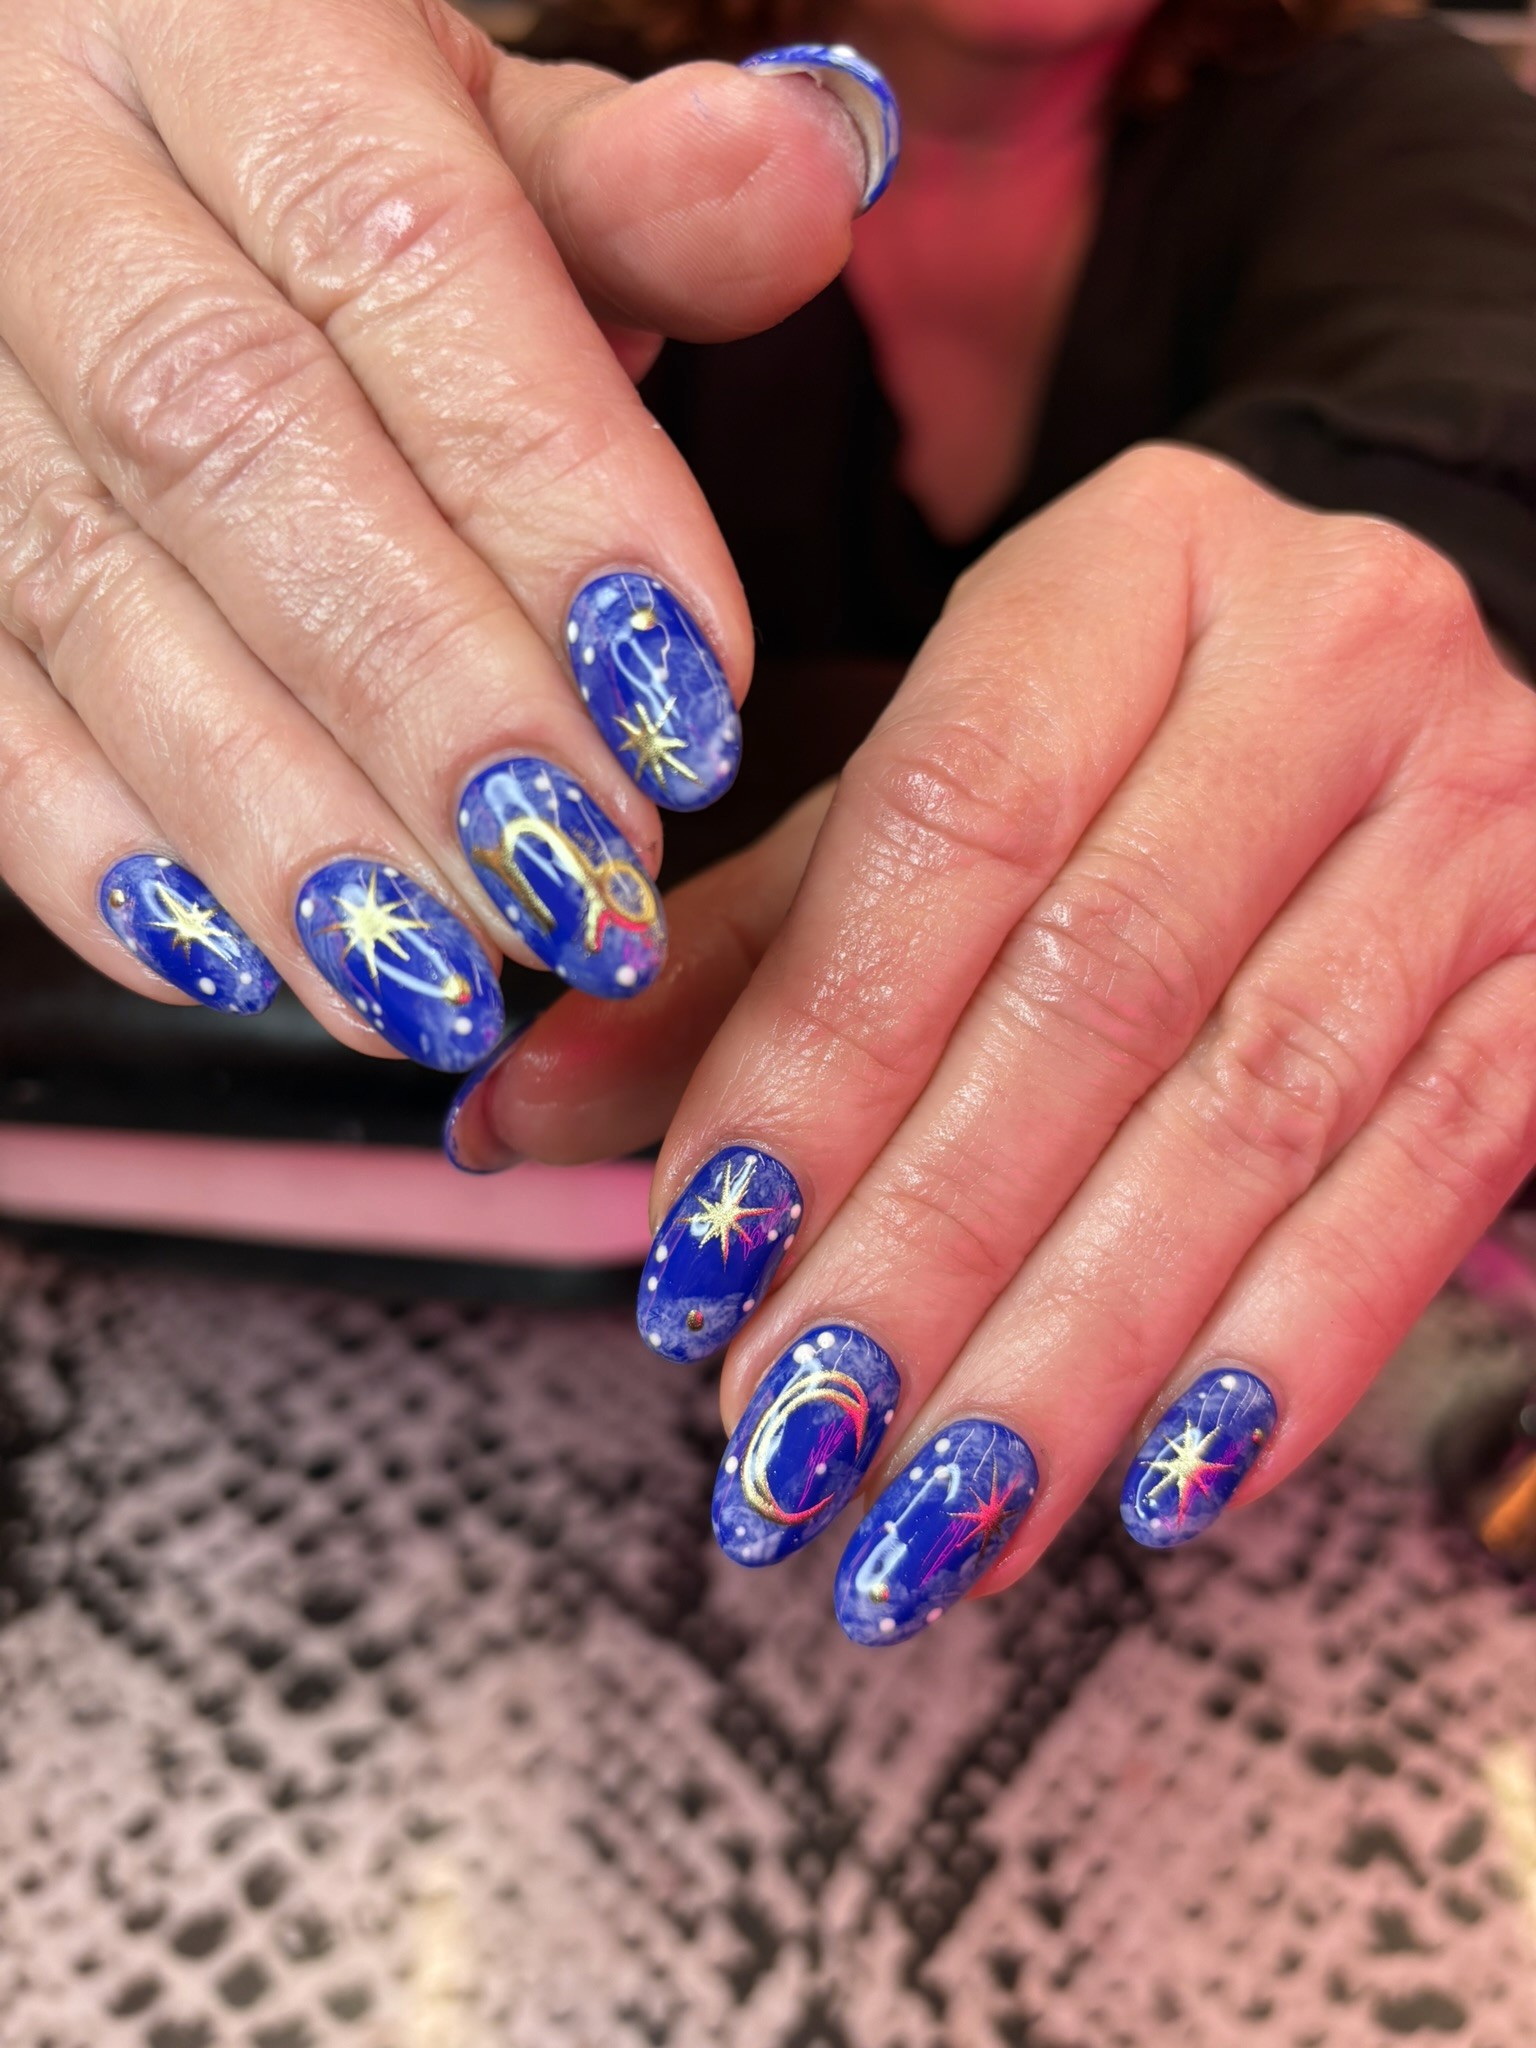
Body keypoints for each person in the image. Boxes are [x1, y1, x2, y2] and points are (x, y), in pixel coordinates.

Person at [1, 0, 1533, 1642]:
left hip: (1189, 1488)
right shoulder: (554, 123)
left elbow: (1468, 464)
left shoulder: (1386, 120)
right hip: (303, 1403)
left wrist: (1419, 658)